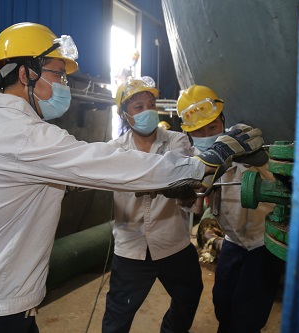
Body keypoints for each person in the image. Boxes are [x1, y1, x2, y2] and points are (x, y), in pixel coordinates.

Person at [0, 22, 264, 333]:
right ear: (27, 73)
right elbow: (111, 163)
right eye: (57, 73)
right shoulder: (25, 136)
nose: (63, 84)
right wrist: (206, 163)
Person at [176, 85, 285, 333]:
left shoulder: (242, 146)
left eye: (212, 127)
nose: (207, 134)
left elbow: (245, 134)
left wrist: (254, 158)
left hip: (262, 245)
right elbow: (192, 203)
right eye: (199, 131)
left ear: (223, 121)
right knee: (222, 304)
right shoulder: (197, 161)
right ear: (189, 134)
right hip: (233, 243)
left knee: (248, 317)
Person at [101, 77, 203, 333]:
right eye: (138, 107)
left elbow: (181, 173)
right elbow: (170, 172)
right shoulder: (113, 150)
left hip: (173, 243)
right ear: (125, 114)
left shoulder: (177, 141)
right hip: (132, 248)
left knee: (189, 296)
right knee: (117, 317)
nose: (147, 111)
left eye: (151, 104)